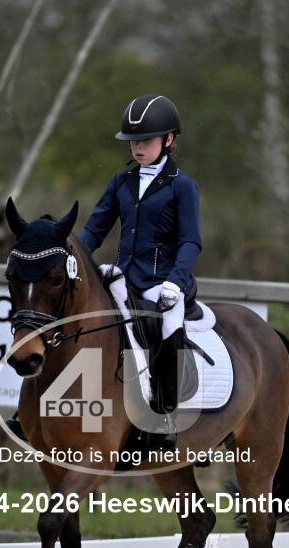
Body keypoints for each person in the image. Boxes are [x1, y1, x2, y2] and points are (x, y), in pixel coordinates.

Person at [79, 93, 202, 448]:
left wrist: (176, 282)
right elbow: (94, 230)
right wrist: (74, 257)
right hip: (122, 277)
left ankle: (165, 416)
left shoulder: (181, 186)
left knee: (168, 324)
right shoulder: (122, 182)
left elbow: (190, 241)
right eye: (133, 141)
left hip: (161, 282)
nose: (138, 147)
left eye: (146, 140)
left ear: (169, 139)